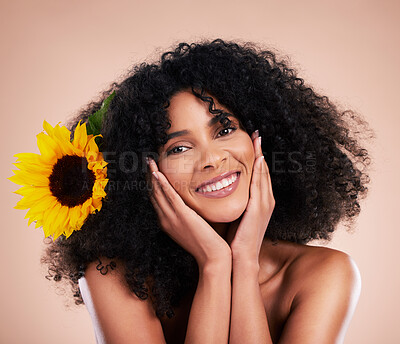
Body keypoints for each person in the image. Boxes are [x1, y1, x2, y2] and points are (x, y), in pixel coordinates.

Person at [41, 38, 374, 343]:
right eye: (179, 148)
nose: (213, 160)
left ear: (260, 136)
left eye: (225, 129)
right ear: (145, 173)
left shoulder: (322, 275)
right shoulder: (113, 277)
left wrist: (244, 264)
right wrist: (214, 265)